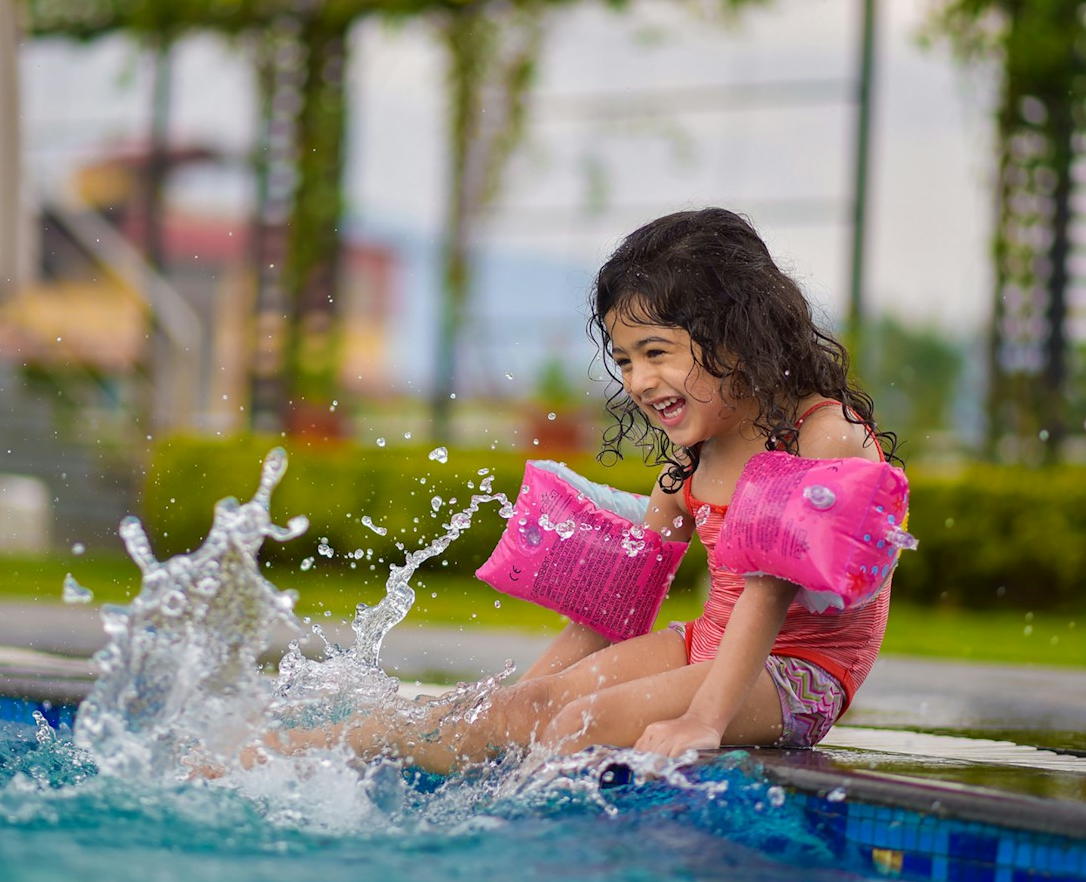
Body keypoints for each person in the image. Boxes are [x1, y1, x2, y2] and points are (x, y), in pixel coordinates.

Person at [239, 207, 899, 776]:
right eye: (625, 360)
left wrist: (702, 720)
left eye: (656, 352)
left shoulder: (821, 435)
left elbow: (767, 591)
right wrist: (504, 712)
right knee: (520, 714)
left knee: (579, 723)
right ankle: (291, 755)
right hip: (706, 648)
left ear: (736, 332)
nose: (639, 381)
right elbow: (613, 612)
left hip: (795, 675)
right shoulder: (692, 460)